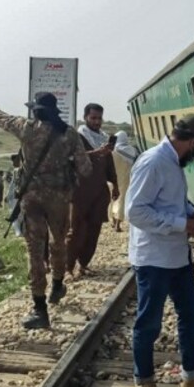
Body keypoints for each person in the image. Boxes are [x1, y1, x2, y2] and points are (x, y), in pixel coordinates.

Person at [0, 82, 92, 329]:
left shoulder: (24, 128)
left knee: (35, 251)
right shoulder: (69, 134)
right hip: (59, 199)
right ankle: (58, 283)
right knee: (58, 242)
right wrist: (68, 163)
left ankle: (39, 309)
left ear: (35, 111)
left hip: (31, 199)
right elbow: (86, 169)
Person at [126, 113, 194, 387]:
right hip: (153, 257)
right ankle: (143, 382)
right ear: (193, 141)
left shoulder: (174, 162)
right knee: (149, 322)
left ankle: (192, 377)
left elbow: (172, 202)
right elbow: (135, 211)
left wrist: (192, 212)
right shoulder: (153, 162)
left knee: (190, 315)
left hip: (178, 255)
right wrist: (183, 224)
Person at [67, 103, 119, 279]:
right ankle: (68, 267)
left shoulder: (103, 138)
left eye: (99, 118)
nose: (97, 122)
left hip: (99, 192)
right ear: (85, 117)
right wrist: (97, 152)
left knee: (94, 229)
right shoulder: (77, 137)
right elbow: (72, 159)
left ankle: (84, 264)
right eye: (93, 118)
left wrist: (115, 185)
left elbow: (109, 164)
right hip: (80, 192)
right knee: (76, 230)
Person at [109, 131, 139, 232]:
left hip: (113, 178)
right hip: (126, 179)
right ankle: (118, 224)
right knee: (122, 199)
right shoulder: (132, 150)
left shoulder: (114, 150)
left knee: (112, 199)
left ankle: (112, 221)